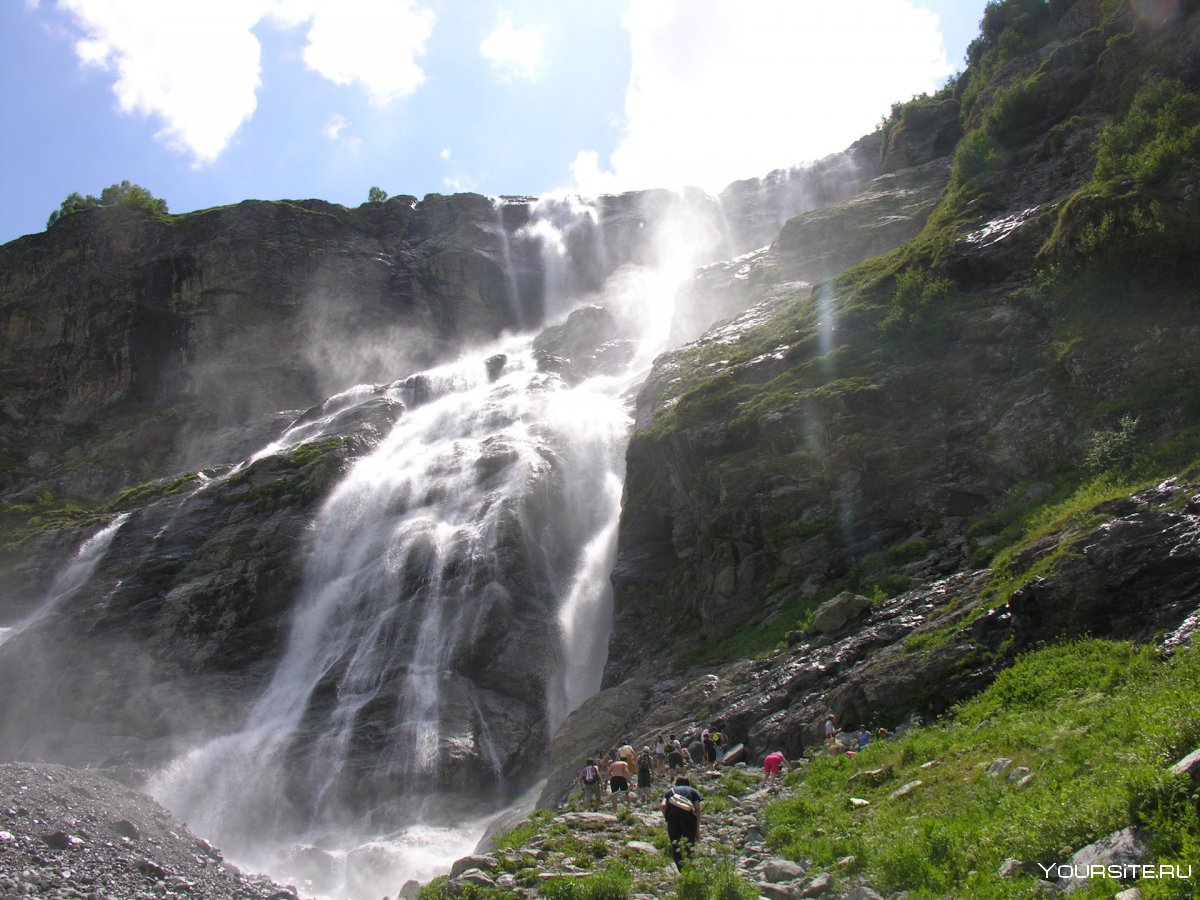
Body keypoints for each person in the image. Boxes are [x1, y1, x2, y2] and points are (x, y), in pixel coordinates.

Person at [660, 776, 703, 868]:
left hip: (673, 819)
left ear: (676, 783)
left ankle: (681, 870)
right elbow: (698, 810)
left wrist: (667, 818)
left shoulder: (670, 791)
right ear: (688, 783)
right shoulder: (693, 791)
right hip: (688, 819)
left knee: (675, 845)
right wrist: (697, 829)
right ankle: (690, 868)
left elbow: (663, 805)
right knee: (689, 845)